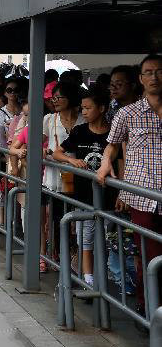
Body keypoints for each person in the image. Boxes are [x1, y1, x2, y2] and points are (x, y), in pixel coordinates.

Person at [97, 54, 162, 314]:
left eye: (159, 71)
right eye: (148, 72)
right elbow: (112, 145)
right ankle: (149, 308)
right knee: (149, 255)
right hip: (143, 196)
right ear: (141, 79)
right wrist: (104, 165)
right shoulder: (128, 113)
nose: (154, 77)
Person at [53, 87, 112, 287]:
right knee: (85, 239)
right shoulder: (80, 131)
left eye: (88, 108)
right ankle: (89, 281)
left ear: (102, 108)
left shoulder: (113, 133)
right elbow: (57, 153)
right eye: (83, 108)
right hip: (84, 195)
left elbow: (120, 163)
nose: (84, 112)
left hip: (108, 196)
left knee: (105, 239)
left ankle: (102, 278)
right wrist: (74, 161)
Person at [41, 81, 85, 272]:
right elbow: (40, 142)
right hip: (55, 177)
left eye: (59, 97)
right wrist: (44, 151)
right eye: (53, 98)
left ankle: (78, 261)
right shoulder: (49, 119)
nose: (55, 101)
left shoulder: (84, 119)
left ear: (71, 98)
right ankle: (62, 258)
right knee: (59, 219)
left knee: (79, 222)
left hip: (81, 177)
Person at [0, 77, 24, 148]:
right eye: (9, 90)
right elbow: (1, 140)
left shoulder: (25, 109)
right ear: (4, 93)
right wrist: (8, 156)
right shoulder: (0, 113)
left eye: (16, 90)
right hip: (9, 150)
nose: (12, 92)